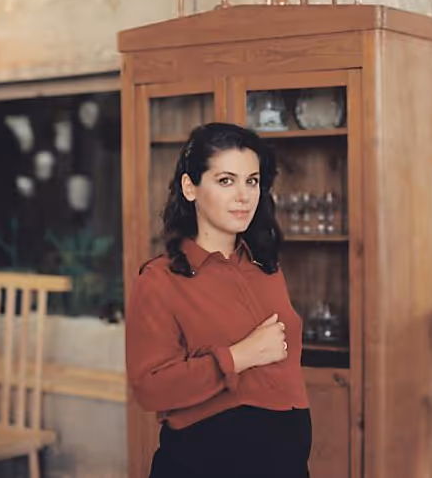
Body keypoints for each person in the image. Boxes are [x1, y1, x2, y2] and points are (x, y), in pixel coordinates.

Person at [125, 122, 312, 478]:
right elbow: (150, 389)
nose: (243, 196)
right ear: (190, 187)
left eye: (252, 181)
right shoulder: (160, 279)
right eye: (226, 181)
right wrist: (239, 356)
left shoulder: (267, 268)